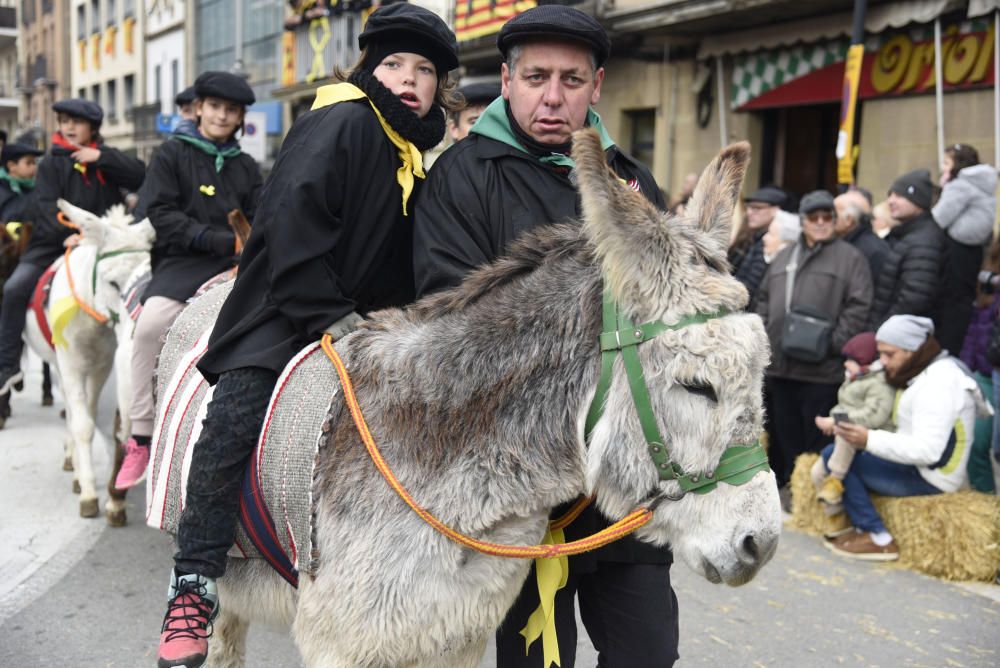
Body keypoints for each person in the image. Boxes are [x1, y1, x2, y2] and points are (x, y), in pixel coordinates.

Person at [153, 6, 459, 668]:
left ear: (439, 88)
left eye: (426, 69)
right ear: (369, 68)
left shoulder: (409, 152)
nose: (410, 78)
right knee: (235, 415)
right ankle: (195, 582)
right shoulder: (342, 119)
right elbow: (288, 226)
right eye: (395, 64)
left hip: (359, 320)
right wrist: (334, 318)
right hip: (281, 309)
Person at [413, 7, 678, 666]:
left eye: (571, 78)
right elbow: (454, 325)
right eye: (536, 77)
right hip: (521, 487)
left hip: (623, 483)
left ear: (597, 86)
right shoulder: (462, 177)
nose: (553, 96)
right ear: (506, 81)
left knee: (648, 652)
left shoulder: (633, 181)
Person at [114, 71, 263, 490]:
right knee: (150, 326)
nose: (221, 115)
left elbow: (262, 214)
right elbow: (160, 213)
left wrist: (251, 243)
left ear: (240, 118)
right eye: (215, 106)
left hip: (237, 264)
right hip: (182, 261)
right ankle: (141, 434)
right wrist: (216, 239)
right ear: (199, 108)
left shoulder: (247, 166)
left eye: (231, 110)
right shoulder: (171, 154)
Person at [0, 99, 144, 395]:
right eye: (64, 121)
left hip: (105, 244)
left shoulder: (106, 157)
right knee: (14, 288)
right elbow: (44, 205)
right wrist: (69, 232)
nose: (68, 127)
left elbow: (140, 175)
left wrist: (101, 157)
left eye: (76, 122)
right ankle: (8, 364)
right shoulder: (52, 162)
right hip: (55, 241)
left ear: (92, 127)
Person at [824, 315, 986, 560]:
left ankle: (877, 536)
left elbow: (927, 451)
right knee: (845, 452)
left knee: (835, 458)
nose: (883, 362)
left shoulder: (938, 383)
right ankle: (860, 528)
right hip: (923, 467)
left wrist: (868, 439)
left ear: (912, 351)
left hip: (932, 477)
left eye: (889, 354)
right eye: (881, 354)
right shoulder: (926, 370)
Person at [755, 190, 872, 489]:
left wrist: (835, 342)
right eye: (813, 217)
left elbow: (859, 305)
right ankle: (790, 489)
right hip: (781, 367)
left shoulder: (850, 258)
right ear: (803, 221)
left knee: (815, 438)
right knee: (783, 434)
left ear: (834, 220)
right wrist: (768, 333)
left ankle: (810, 495)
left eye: (826, 217)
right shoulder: (784, 256)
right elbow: (764, 298)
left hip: (821, 371)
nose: (820, 222)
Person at [811, 332, 895, 506]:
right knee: (816, 473)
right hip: (848, 439)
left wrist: (836, 421)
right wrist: (833, 417)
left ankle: (835, 481)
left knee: (846, 434)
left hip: (871, 436)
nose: (846, 363)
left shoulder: (879, 384)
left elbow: (874, 415)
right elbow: (845, 405)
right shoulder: (855, 379)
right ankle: (834, 518)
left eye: (852, 359)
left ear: (867, 363)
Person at [932, 143, 998, 355]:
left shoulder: (959, 185)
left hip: (955, 249)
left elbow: (939, 218)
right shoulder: (984, 184)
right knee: (963, 301)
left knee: (952, 302)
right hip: (974, 249)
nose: (942, 167)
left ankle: (947, 351)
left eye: (946, 162)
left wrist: (943, 189)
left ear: (957, 165)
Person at [868, 169, 946, 331]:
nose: (890, 201)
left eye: (899, 196)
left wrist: (880, 330)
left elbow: (914, 299)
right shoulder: (909, 235)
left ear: (919, 201)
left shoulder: (924, 241)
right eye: (890, 195)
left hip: (899, 335)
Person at [728, 185, 786, 306]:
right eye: (748, 207)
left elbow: (749, 288)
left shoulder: (769, 243)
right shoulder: (752, 237)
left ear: (776, 210)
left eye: (757, 208)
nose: (749, 212)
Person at [834, 189, 889, 285]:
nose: (828, 219)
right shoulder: (845, 243)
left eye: (834, 214)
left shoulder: (873, 251)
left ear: (849, 220)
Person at [0, 143, 43, 224]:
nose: (34, 167)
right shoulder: (2, 188)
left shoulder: (33, 186)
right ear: (11, 166)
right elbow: (9, 216)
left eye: (34, 162)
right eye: (28, 163)